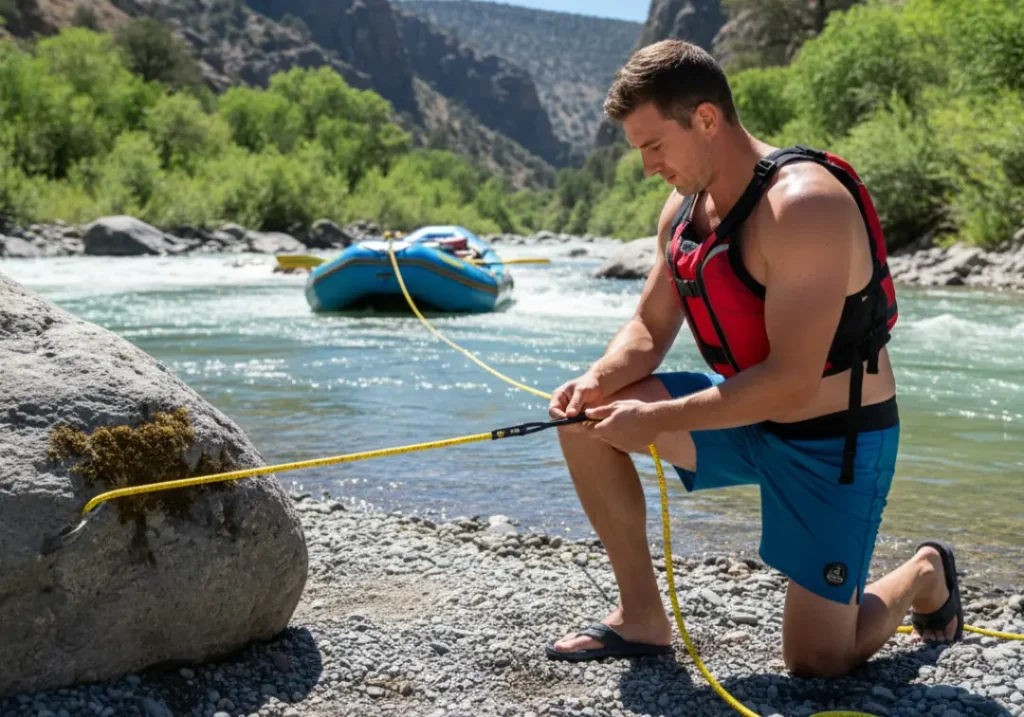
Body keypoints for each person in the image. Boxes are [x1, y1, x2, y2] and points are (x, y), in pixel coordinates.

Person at [545, 39, 963, 679]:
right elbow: (650, 326)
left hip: (833, 440)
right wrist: (596, 382)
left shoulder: (804, 207)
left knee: (818, 662)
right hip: (746, 416)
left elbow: (794, 382)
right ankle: (642, 619)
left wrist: (655, 419)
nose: (648, 165)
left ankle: (926, 572)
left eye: (654, 145)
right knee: (586, 418)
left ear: (706, 119)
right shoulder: (683, 213)